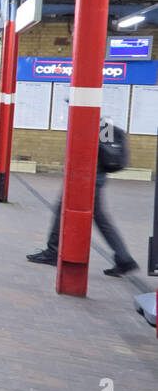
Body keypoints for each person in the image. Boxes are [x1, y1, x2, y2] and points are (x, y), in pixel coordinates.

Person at [27, 118, 138, 276]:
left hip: (85, 180)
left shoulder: (89, 125)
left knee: (62, 211)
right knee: (102, 220)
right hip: (97, 180)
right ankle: (124, 259)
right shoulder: (107, 129)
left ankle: (53, 252)